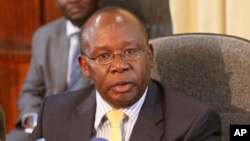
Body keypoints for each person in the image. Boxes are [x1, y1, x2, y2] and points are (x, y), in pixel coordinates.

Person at [32, 7, 222, 141]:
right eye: (104, 56)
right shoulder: (53, 114)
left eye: (130, 52)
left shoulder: (194, 123)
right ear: (85, 66)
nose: (119, 65)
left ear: (149, 55)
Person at [7, 0, 100, 141]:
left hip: (92, 125)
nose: (73, 0)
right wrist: (37, 123)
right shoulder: (43, 36)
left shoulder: (113, 33)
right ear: (56, 3)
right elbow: (30, 92)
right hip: (46, 123)